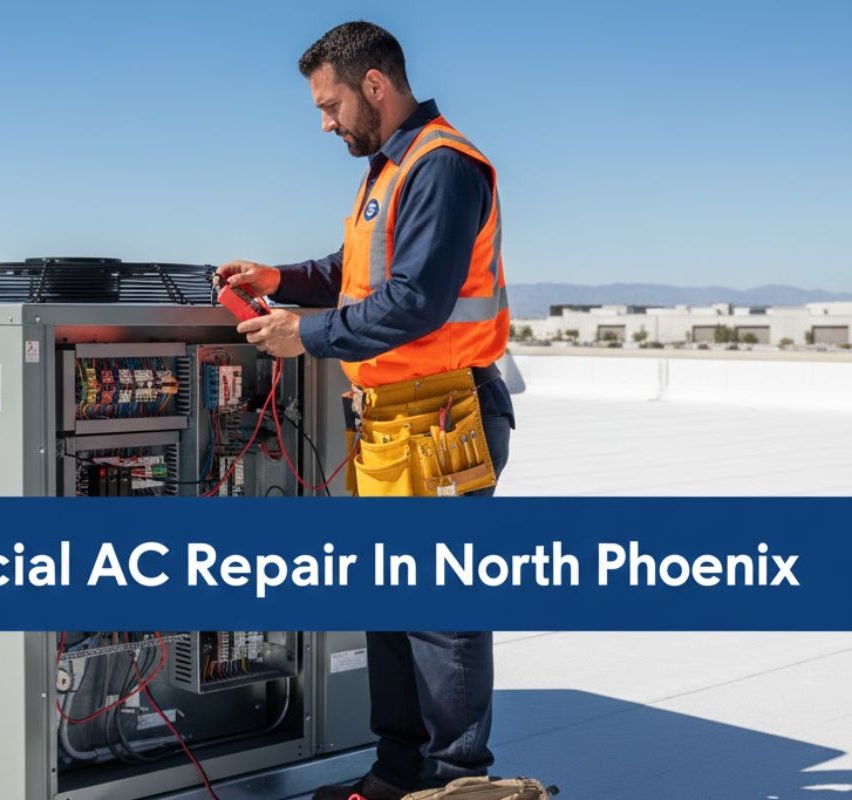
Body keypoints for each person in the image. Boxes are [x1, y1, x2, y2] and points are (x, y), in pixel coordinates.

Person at [213, 21, 515, 800]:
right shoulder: (389, 170)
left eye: (330, 103)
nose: (325, 123)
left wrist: (302, 335)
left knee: (441, 617)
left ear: (374, 85)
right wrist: (278, 277)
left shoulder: (442, 165)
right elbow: (353, 272)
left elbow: (416, 302)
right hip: (394, 424)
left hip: (444, 420)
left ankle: (458, 783)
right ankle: (400, 771)